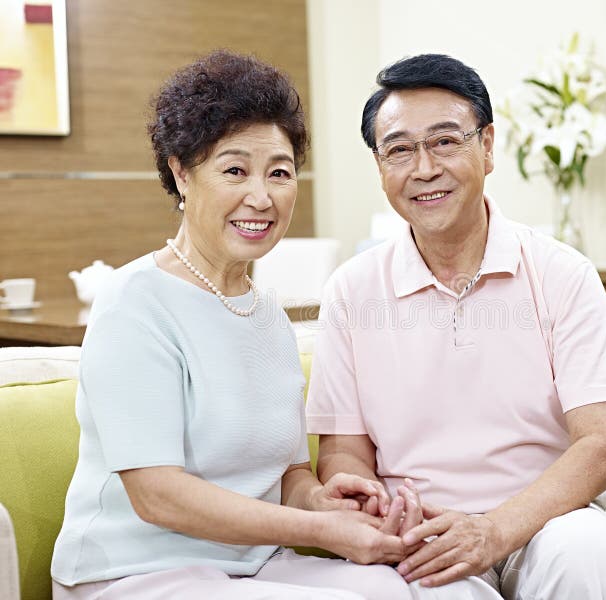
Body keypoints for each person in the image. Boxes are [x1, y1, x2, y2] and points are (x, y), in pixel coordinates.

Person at [50, 50, 487, 600]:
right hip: (136, 572)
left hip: (250, 566)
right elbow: (157, 495)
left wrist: (321, 499)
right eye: (234, 170)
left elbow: (287, 475)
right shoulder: (134, 302)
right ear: (181, 172)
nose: (261, 196)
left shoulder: (268, 314)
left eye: (279, 173)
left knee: (444, 590)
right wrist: (318, 529)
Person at [306, 53, 606, 599]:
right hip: (423, 533)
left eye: (446, 141)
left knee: (592, 559)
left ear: (487, 146)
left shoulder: (562, 273)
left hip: (549, 522)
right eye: (400, 150)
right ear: (380, 168)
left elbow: (604, 445)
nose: (424, 169)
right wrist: (370, 503)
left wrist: (494, 531)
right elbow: (344, 451)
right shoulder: (351, 291)